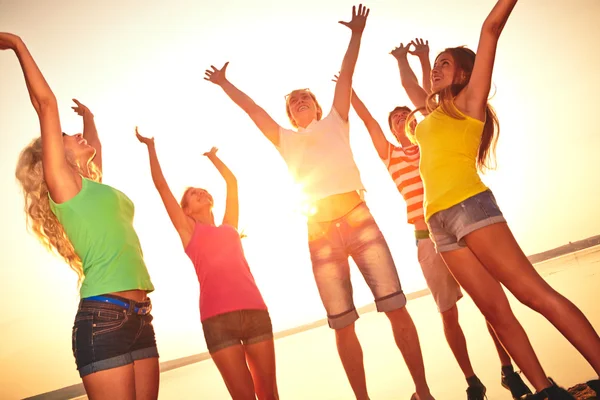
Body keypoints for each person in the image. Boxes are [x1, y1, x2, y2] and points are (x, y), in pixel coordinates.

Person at [204, 5, 434, 400]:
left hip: (359, 220)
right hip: (320, 233)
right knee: (342, 324)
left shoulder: (336, 121)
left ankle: (423, 392)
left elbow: (346, 75)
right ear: (290, 117)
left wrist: (356, 34)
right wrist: (226, 84)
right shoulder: (285, 140)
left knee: (396, 307)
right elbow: (253, 110)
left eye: (304, 100)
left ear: (316, 105)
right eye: (293, 104)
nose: (299, 105)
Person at [392, 1, 600, 398]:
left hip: (471, 210)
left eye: (445, 63)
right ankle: (544, 390)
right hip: (438, 226)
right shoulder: (431, 116)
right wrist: (406, 58)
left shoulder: (468, 103)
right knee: (497, 313)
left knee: (534, 295)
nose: (436, 68)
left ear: (466, 74)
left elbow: (490, 29)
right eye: (435, 63)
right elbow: (409, 86)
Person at [341, 37, 532, 400]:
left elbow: (429, 96)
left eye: (404, 116)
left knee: (489, 303)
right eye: (394, 120)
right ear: (395, 131)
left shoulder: (434, 134)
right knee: (449, 313)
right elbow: (367, 122)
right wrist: (348, 91)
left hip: (463, 222)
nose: (400, 120)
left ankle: (508, 368)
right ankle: (472, 380)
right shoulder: (392, 157)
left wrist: (423, 57)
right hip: (427, 239)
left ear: (414, 122)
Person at [5, 32, 159, 399]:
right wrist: (17, 45)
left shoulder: (93, 188)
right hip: (104, 320)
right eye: (67, 136)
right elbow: (45, 104)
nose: (77, 135)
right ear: (55, 156)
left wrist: (90, 119)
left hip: (140, 317)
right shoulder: (65, 190)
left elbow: (96, 147)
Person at [136, 129, 278, 400]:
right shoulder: (188, 232)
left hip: (255, 312)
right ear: (186, 210)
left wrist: (214, 158)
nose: (200, 192)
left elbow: (232, 183)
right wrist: (151, 147)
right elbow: (162, 186)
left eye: (201, 190)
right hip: (217, 321)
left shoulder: (230, 227)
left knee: (269, 394)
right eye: (192, 194)